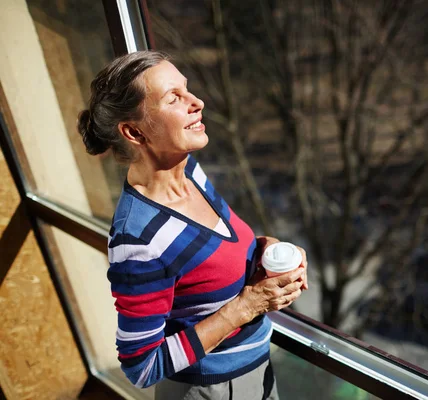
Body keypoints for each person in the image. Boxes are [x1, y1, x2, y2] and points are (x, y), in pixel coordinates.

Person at [76, 50, 308, 400]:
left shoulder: (191, 174)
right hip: (210, 391)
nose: (197, 102)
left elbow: (211, 255)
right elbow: (142, 368)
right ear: (134, 131)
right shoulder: (138, 240)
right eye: (174, 98)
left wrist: (270, 250)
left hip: (255, 370)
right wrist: (246, 306)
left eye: (188, 90)